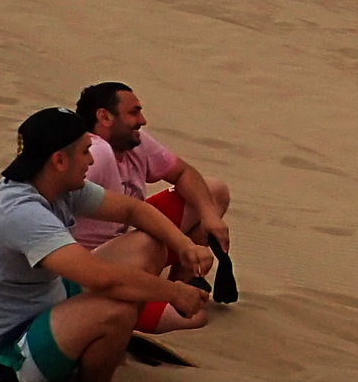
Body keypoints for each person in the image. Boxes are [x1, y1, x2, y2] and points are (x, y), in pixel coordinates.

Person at [0, 107, 213, 382]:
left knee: (148, 246)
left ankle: (105, 348)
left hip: (43, 302)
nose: (92, 160)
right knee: (118, 309)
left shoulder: (56, 186)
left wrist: (184, 245)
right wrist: (174, 292)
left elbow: (133, 209)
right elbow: (104, 279)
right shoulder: (21, 212)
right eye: (86, 152)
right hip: (3, 355)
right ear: (60, 160)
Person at [74, 81, 237, 303]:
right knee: (191, 319)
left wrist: (208, 214)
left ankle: (181, 286)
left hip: (135, 246)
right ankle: (164, 299)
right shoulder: (95, 154)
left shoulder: (134, 142)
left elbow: (183, 172)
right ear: (104, 117)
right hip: (95, 267)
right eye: (134, 113)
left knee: (213, 191)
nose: (142, 121)